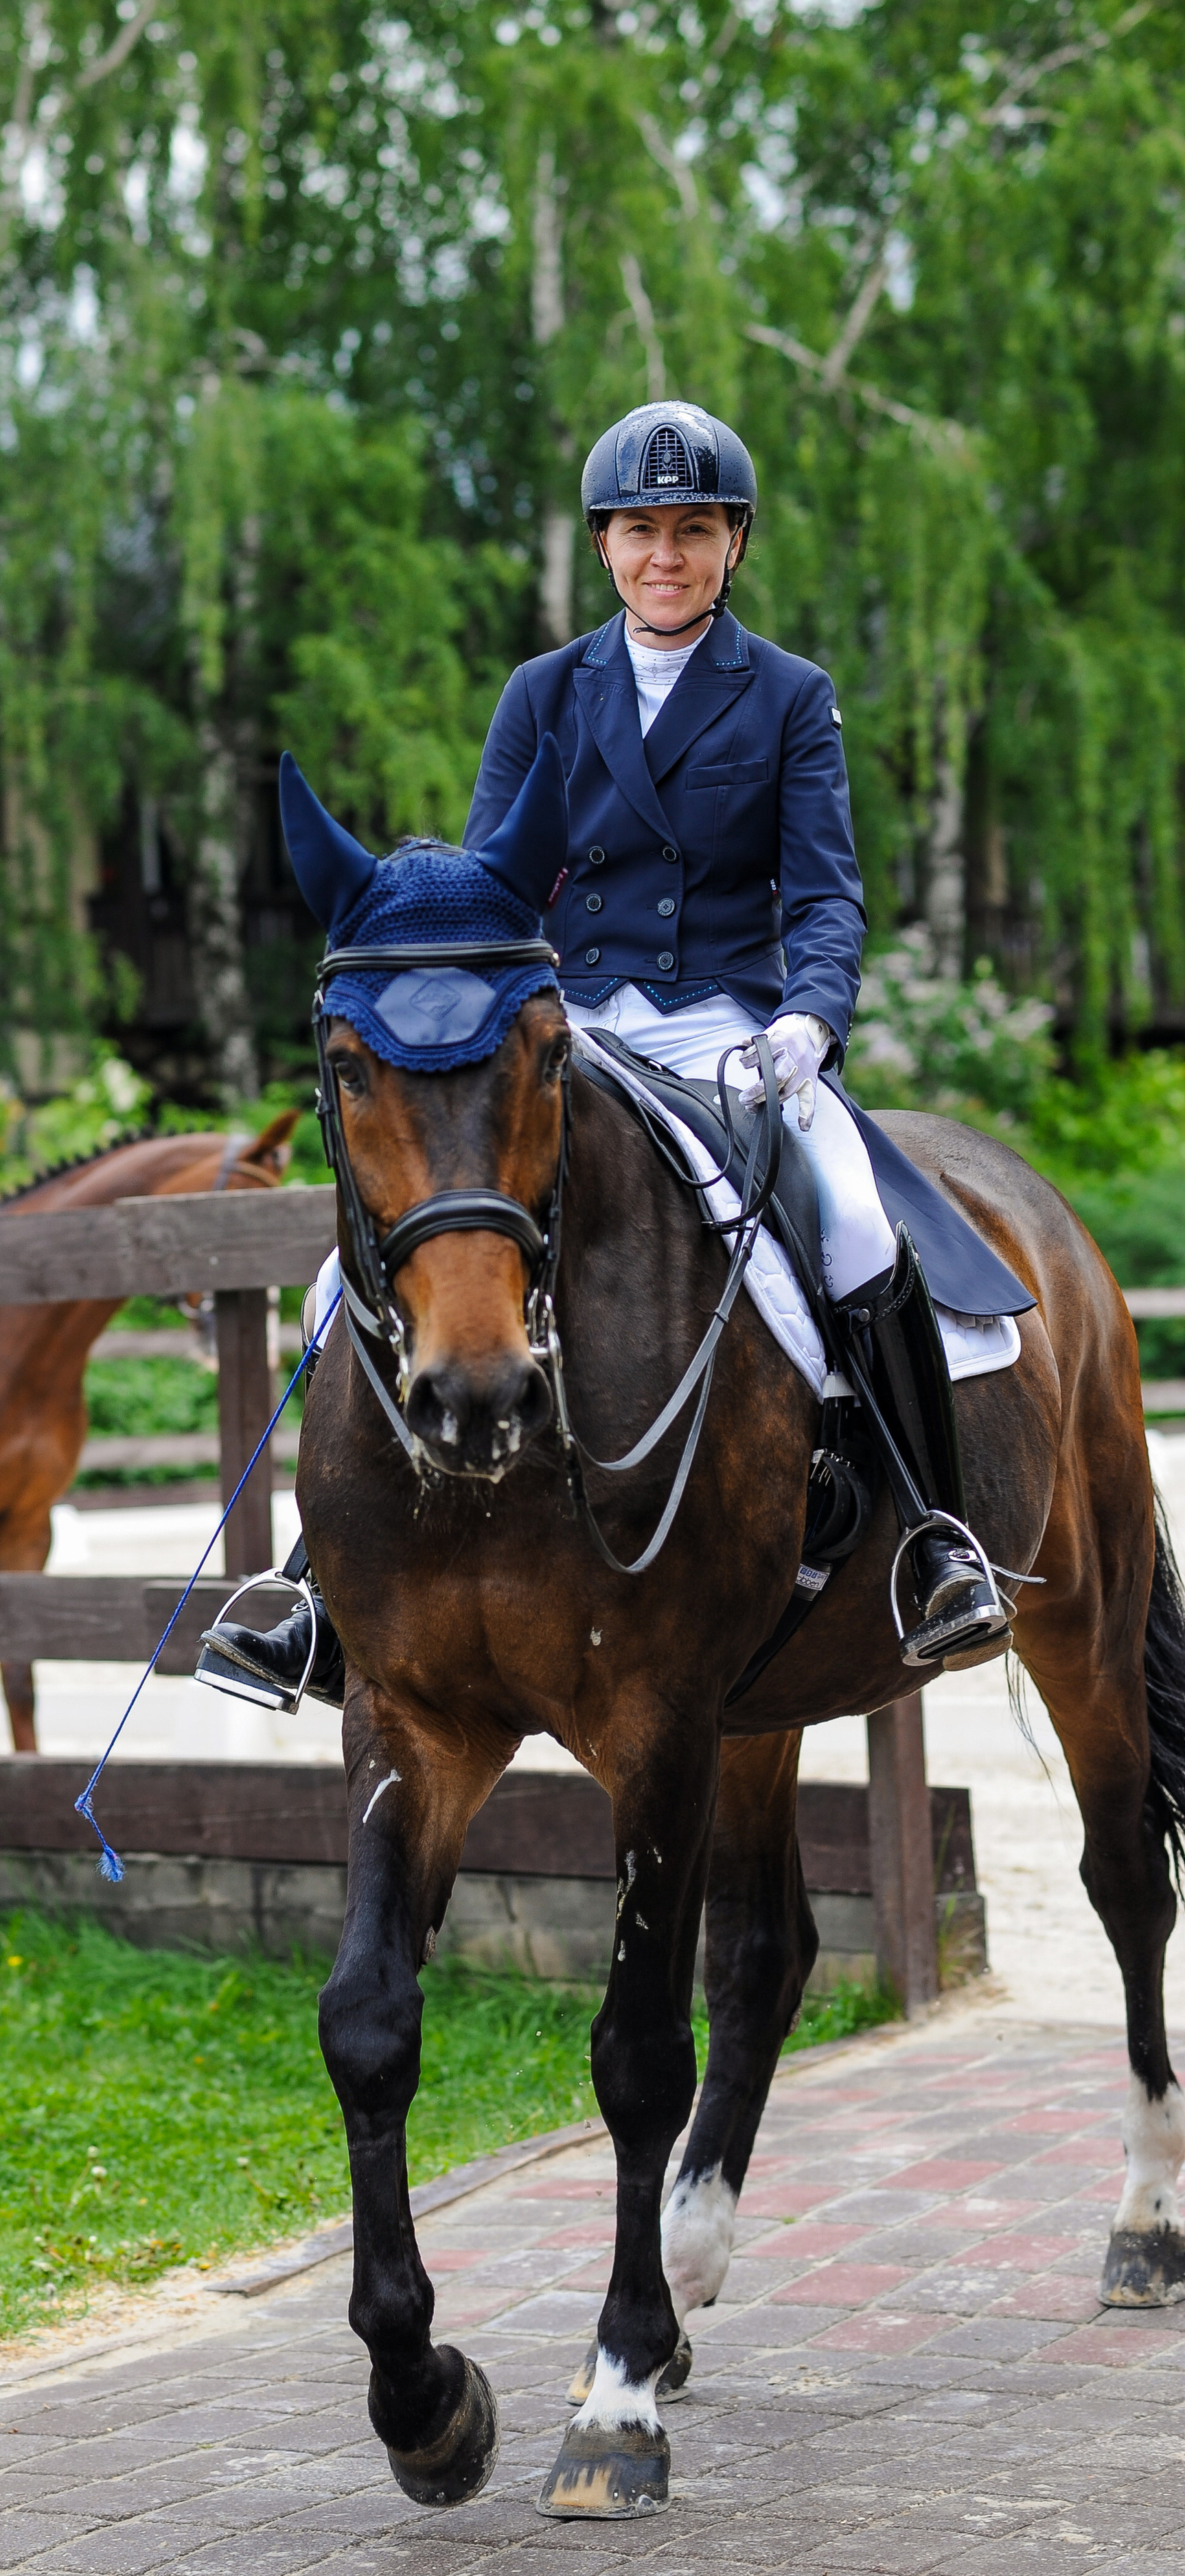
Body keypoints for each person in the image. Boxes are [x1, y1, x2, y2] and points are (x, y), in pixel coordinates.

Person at [203, 399, 1022, 1710]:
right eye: (643, 531)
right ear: (605, 546)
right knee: (344, 1268)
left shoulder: (791, 696)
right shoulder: (544, 693)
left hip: (728, 1029)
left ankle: (931, 1538)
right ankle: (315, 1580)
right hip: (566, 1024)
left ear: (733, 546)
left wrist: (809, 1019)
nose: (667, 556)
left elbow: (824, 896)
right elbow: (485, 895)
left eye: (693, 532)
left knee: (858, 1218)